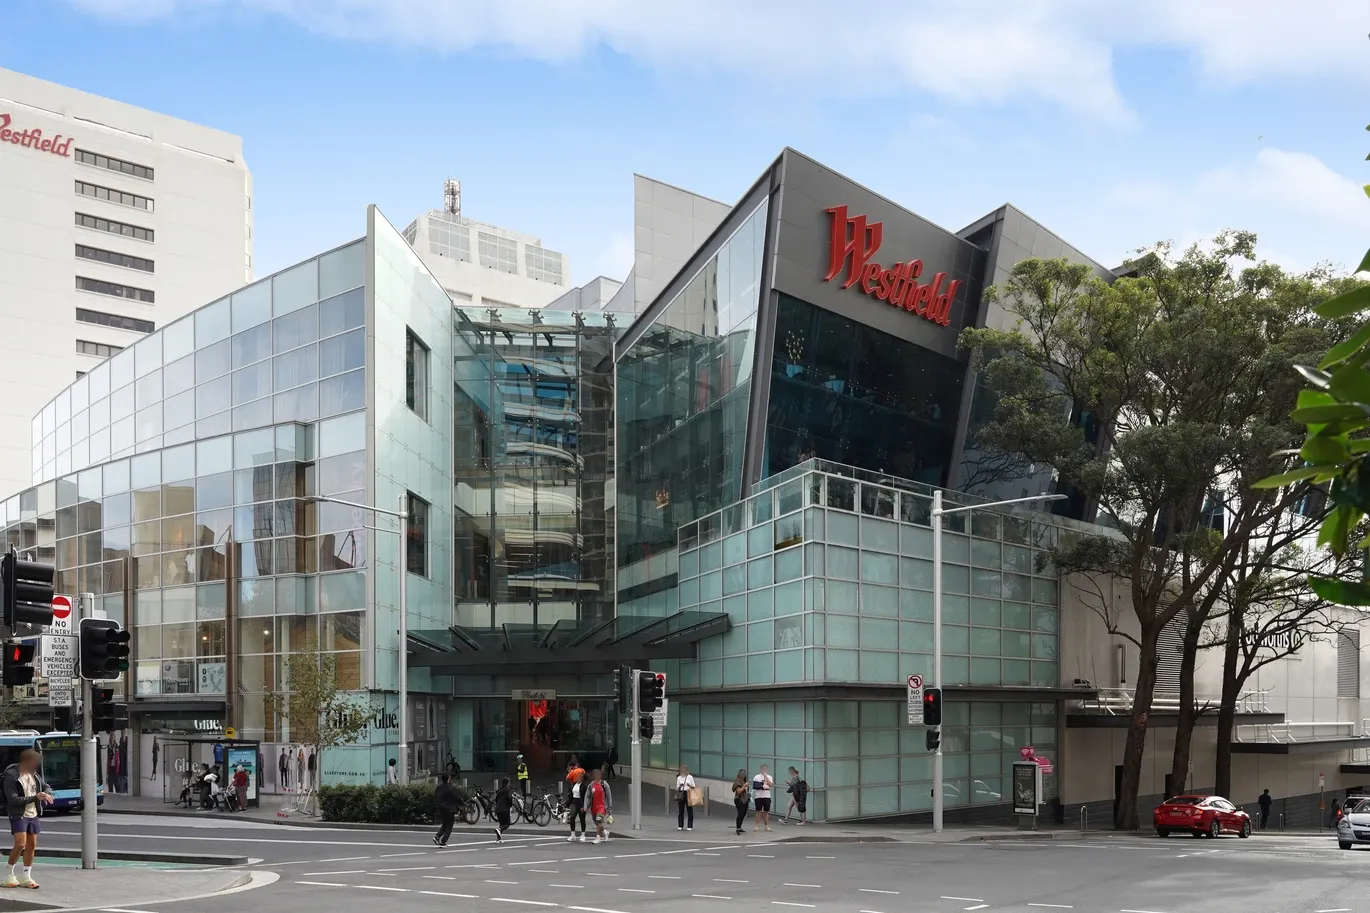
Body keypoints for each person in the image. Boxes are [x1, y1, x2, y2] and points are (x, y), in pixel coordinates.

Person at [3, 749, 53, 889]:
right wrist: (35, 797)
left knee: (31, 846)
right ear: (26, 761)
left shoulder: (34, 774)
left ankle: (26, 876)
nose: (36, 764)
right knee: (20, 844)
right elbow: (13, 800)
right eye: (34, 762)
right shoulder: (11, 777)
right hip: (18, 814)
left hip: (33, 814)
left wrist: (46, 793)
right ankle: (9, 875)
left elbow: (46, 786)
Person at [433, 772, 461, 846]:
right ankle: (443, 841)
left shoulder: (439, 787)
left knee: (445, 823)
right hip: (450, 809)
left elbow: (436, 797)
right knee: (449, 826)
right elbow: (458, 797)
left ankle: (437, 837)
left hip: (441, 809)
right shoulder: (452, 788)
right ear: (448, 779)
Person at [588, 768, 613, 845]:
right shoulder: (591, 785)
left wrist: (609, 807)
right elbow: (587, 796)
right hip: (593, 807)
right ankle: (605, 832)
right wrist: (586, 806)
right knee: (597, 823)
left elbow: (609, 796)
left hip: (601, 807)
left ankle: (598, 838)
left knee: (598, 821)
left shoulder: (604, 784)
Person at [565, 759, 588, 842]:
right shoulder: (574, 785)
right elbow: (571, 795)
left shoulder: (584, 786)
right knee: (572, 818)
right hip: (574, 802)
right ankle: (573, 835)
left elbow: (586, 796)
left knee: (582, 819)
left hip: (581, 803)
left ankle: (583, 835)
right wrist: (567, 805)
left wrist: (584, 806)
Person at [752, 764, 775, 832]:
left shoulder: (769, 777)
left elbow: (771, 785)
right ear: (760, 769)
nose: (764, 770)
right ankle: (756, 826)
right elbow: (755, 786)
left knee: (766, 812)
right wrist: (763, 786)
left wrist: (766, 777)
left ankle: (766, 826)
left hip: (767, 796)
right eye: (763, 768)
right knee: (758, 811)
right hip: (758, 796)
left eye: (765, 768)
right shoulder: (757, 777)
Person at [675, 764, 696, 831]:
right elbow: (677, 788)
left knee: (689, 809)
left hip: (688, 792)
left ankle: (690, 826)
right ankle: (680, 825)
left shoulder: (690, 777)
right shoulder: (679, 778)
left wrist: (689, 785)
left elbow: (693, 786)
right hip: (681, 793)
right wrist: (680, 786)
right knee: (681, 809)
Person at [493, 777, 514, 843]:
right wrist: (510, 805)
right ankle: (499, 830)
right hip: (504, 809)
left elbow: (496, 800)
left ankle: (498, 839)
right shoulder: (508, 790)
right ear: (508, 783)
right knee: (507, 824)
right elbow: (509, 798)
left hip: (498, 809)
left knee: (501, 824)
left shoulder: (500, 790)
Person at [731, 769, 750, 835]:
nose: (743, 775)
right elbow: (739, 791)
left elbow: (745, 791)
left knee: (743, 813)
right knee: (740, 813)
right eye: (742, 773)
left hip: (745, 799)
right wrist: (744, 786)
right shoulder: (737, 782)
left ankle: (740, 827)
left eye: (744, 774)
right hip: (739, 799)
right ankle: (738, 828)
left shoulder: (744, 781)